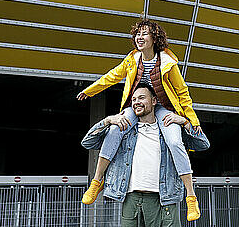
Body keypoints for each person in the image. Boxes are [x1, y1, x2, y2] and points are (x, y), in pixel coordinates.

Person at [76, 18, 203, 221]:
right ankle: (97, 182)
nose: (139, 37)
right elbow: (111, 77)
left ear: (155, 38)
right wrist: (90, 91)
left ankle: (190, 197)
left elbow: (182, 92)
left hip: (163, 108)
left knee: (174, 141)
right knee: (115, 129)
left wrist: (190, 119)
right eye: (137, 34)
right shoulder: (132, 59)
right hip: (136, 106)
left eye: (144, 34)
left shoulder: (168, 63)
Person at [81, 82, 210, 227]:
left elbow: (203, 144)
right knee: (112, 131)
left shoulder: (169, 128)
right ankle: (96, 182)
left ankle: (191, 197)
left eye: (142, 98)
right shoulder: (125, 131)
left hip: (164, 200)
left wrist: (185, 122)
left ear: (154, 101)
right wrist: (108, 121)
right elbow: (88, 142)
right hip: (132, 199)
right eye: (134, 99)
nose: (137, 102)